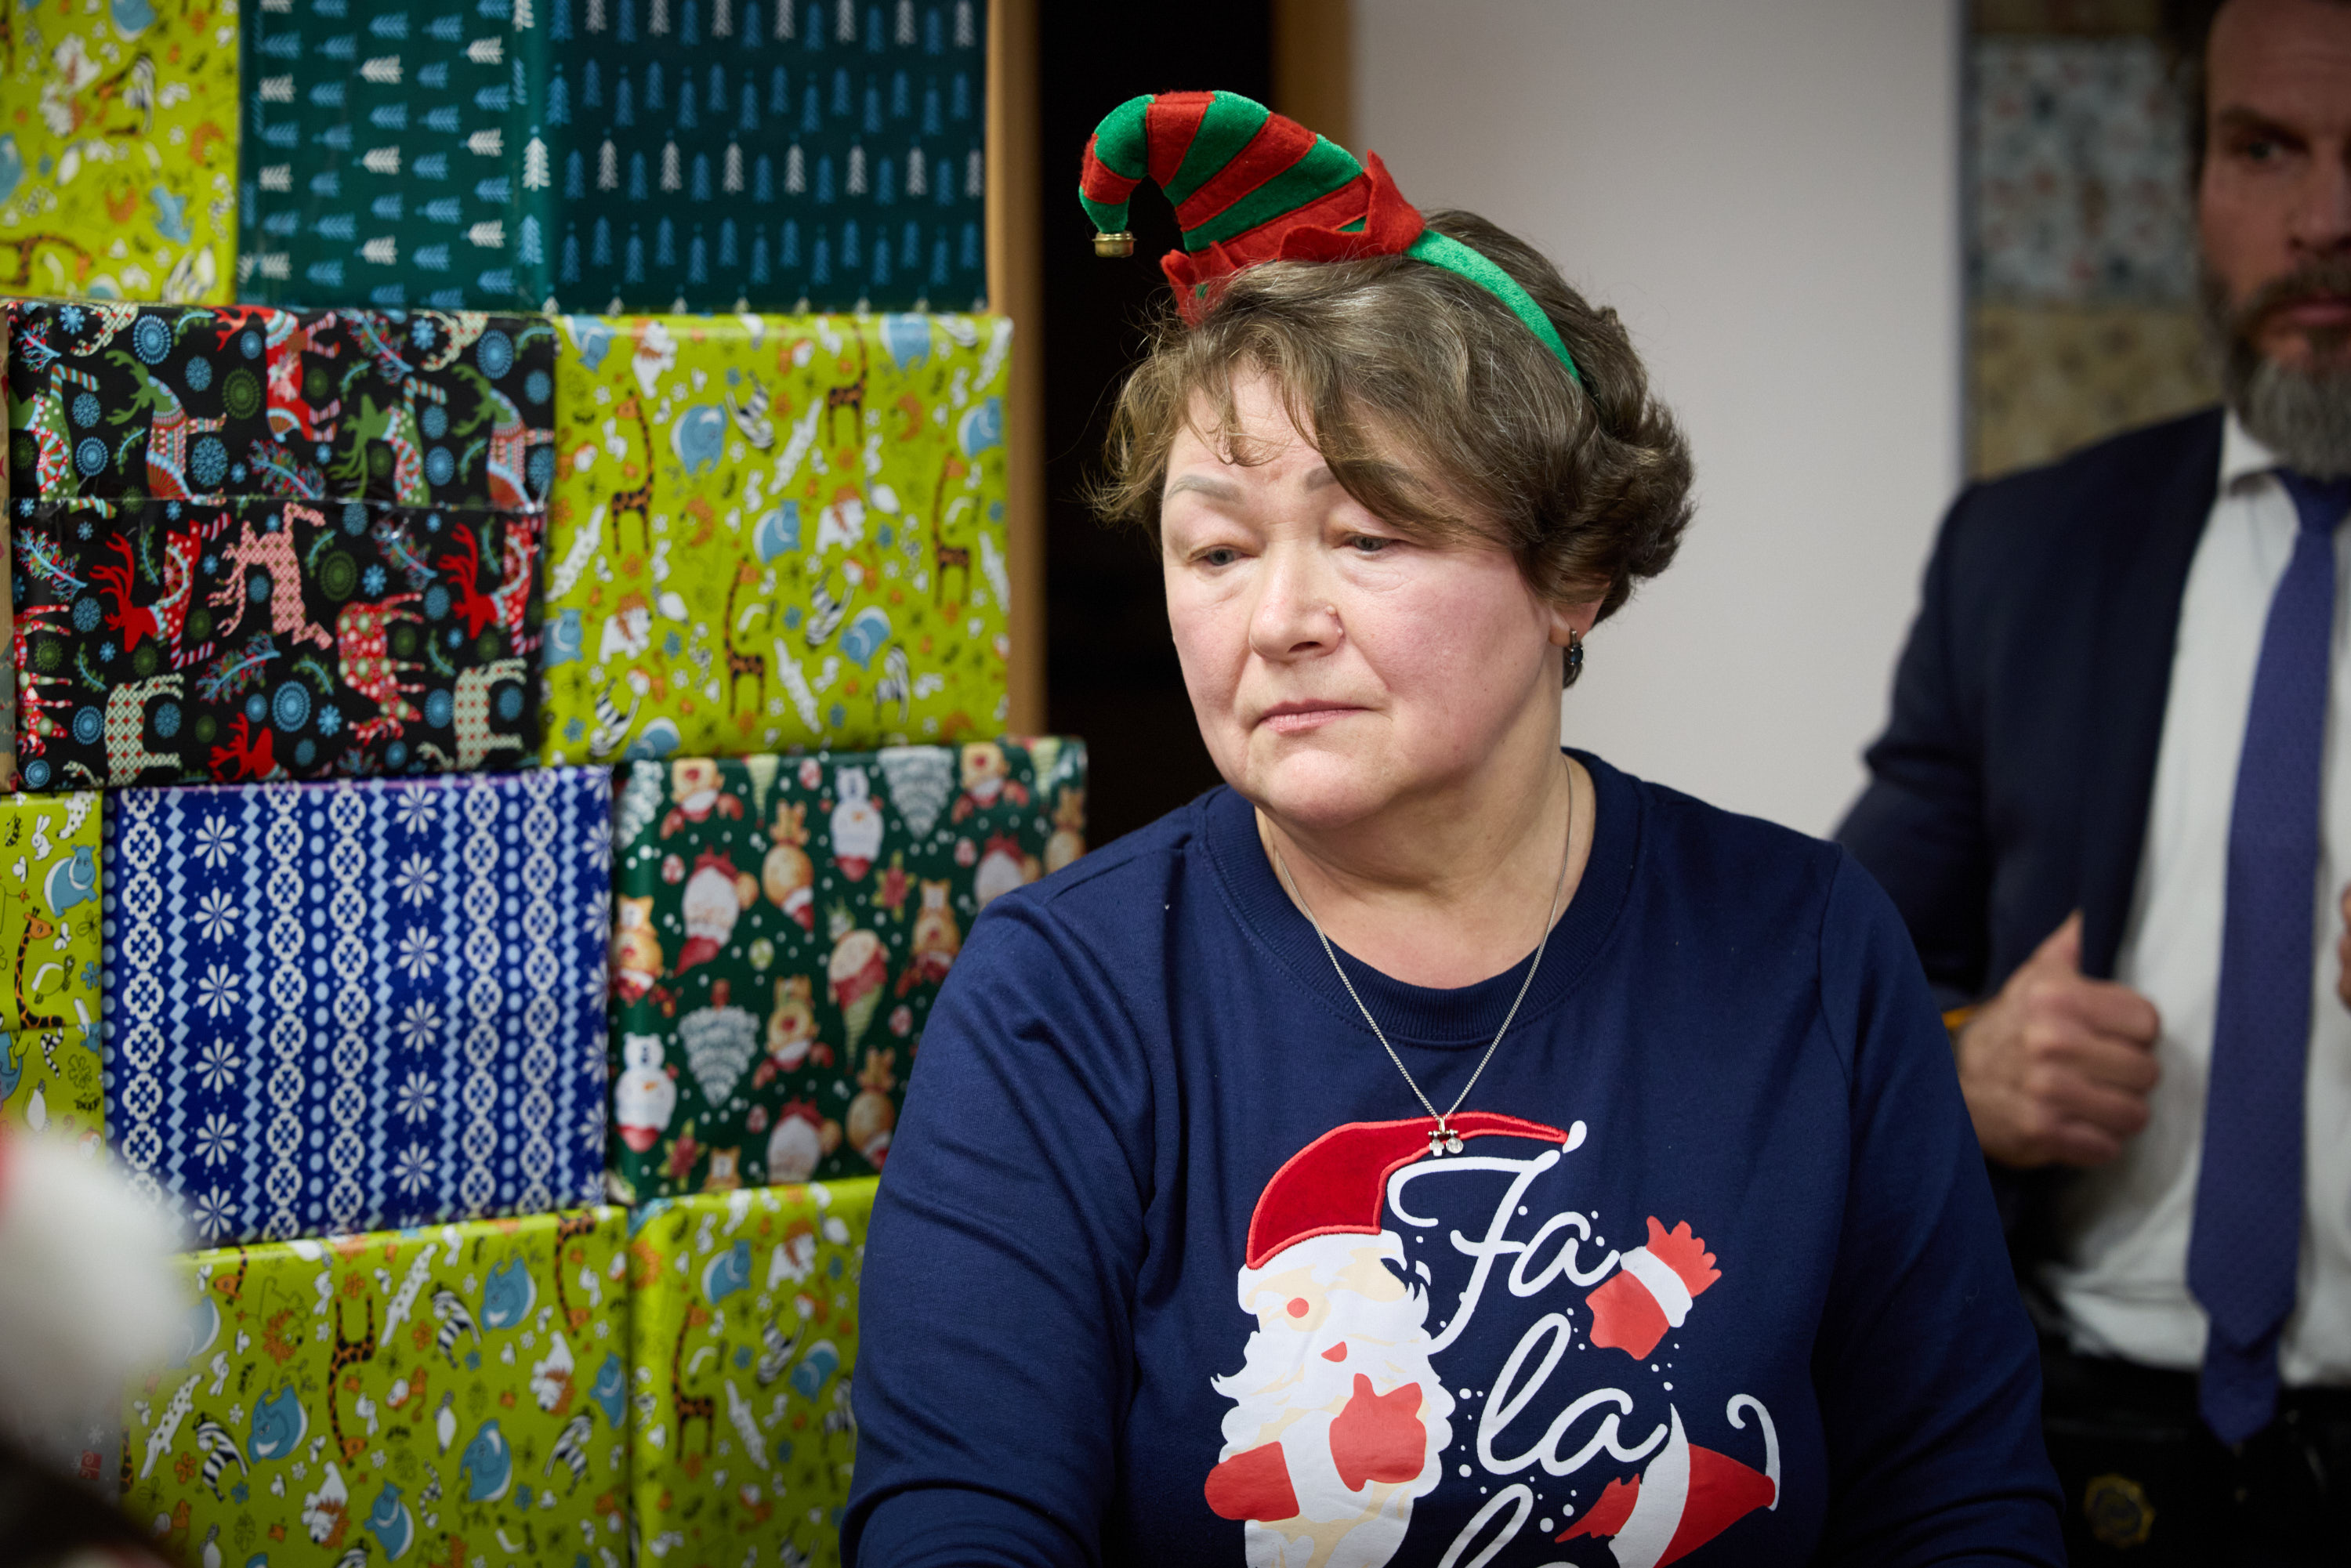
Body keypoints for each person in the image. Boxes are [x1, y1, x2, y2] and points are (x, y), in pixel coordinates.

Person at [845, 92, 2063, 1566]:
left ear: (1573, 574)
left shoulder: (1806, 948)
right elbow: (957, 1521)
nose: (1279, 620)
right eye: (1217, 548)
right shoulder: (1061, 995)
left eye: (1369, 535)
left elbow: (1962, 1506)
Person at [1837, 0, 2351, 1559]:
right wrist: (1965, 1063)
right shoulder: (2025, 553)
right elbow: (1834, 988)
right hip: (2078, 1459)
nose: (2324, 219)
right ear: (2195, 180)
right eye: (2263, 149)